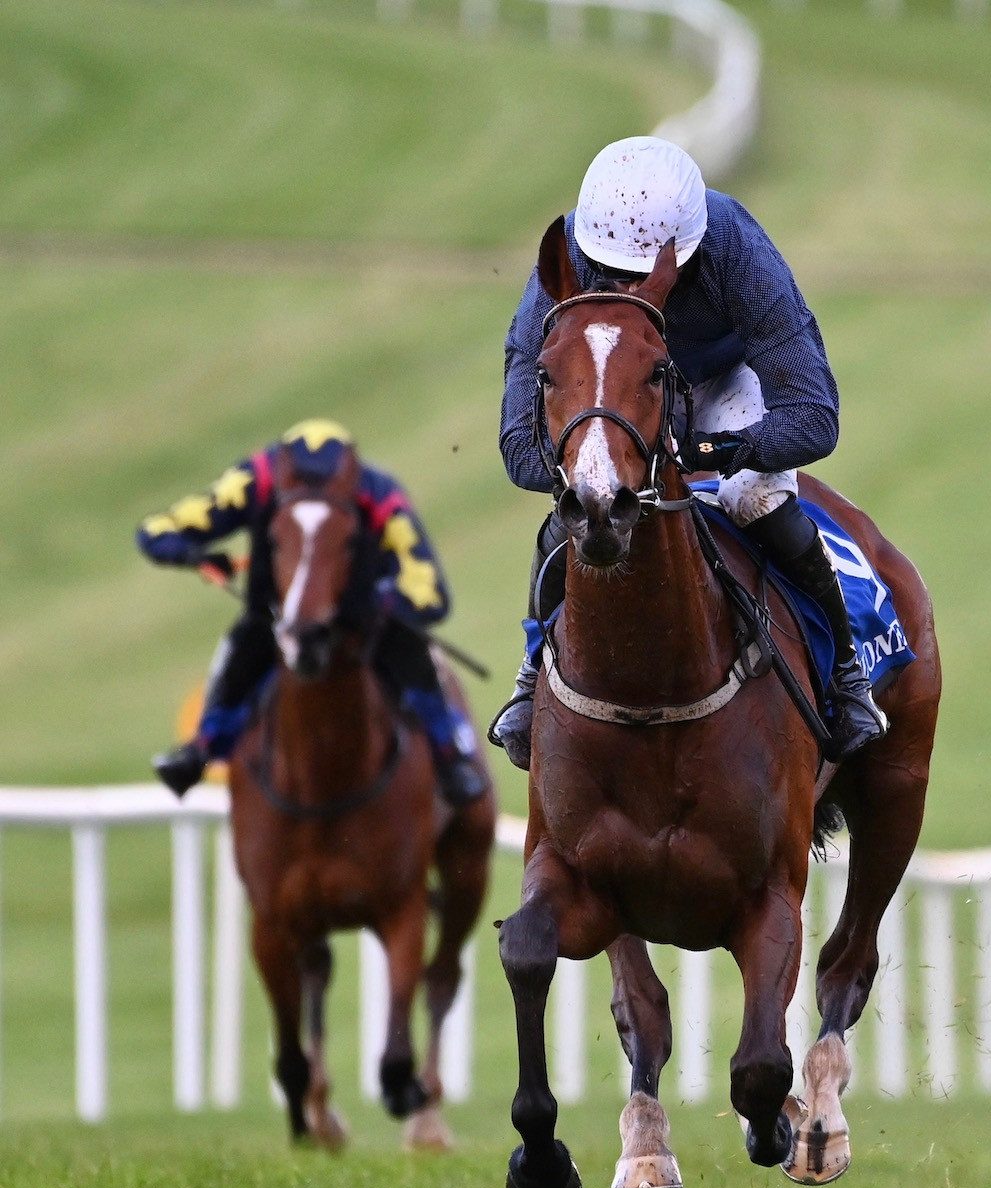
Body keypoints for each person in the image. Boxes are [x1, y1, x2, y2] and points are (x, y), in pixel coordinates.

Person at [489, 136, 885, 768]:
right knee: (571, 518)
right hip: (616, 395)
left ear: (686, 252)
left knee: (757, 497)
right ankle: (533, 678)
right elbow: (518, 446)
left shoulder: (737, 251)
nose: (623, 284)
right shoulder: (562, 265)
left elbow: (814, 415)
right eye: (608, 270)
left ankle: (845, 677)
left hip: (723, 385)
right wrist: (594, 465)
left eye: (640, 273)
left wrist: (711, 449)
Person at [139, 419, 489, 806]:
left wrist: (378, 600)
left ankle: (451, 755)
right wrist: (190, 552)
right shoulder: (257, 479)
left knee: (411, 650)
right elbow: (163, 528)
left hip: (359, 623)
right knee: (241, 649)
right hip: (273, 616)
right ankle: (203, 748)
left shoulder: (376, 492)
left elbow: (429, 591)